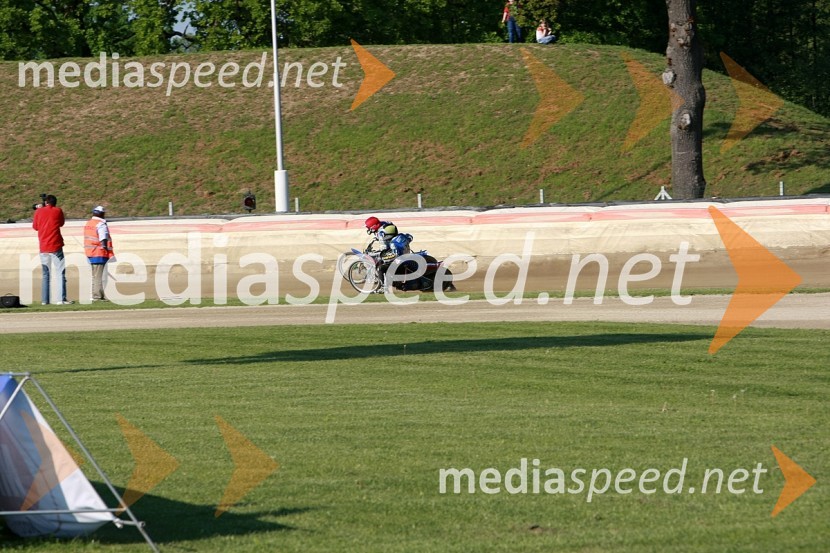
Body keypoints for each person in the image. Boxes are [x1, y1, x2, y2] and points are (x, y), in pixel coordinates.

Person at [32, 194, 73, 305]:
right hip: (56, 246)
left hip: (43, 246)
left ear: (46, 202)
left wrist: (40, 211)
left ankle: (45, 300)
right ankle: (61, 299)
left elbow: (35, 227)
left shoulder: (38, 212)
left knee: (46, 274)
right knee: (60, 273)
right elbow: (61, 223)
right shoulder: (58, 211)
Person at [84, 205, 114, 301]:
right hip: (99, 253)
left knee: (95, 276)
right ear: (102, 214)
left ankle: (96, 294)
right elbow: (103, 239)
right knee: (99, 276)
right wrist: (106, 249)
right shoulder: (101, 224)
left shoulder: (89, 223)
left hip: (90, 253)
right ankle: (97, 296)